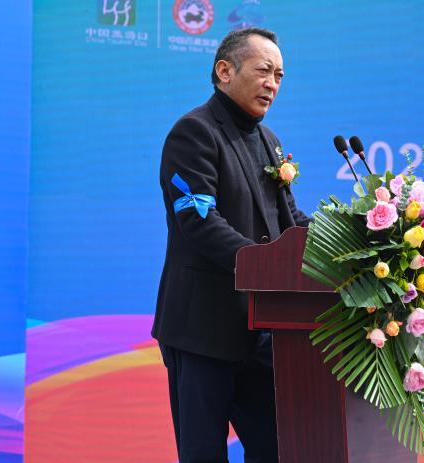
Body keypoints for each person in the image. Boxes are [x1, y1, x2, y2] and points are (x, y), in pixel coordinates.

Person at [152, 28, 309, 463]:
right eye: (263, 71)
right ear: (224, 70)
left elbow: (291, 220)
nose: (272, 83)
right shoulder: (194, 133)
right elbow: (198, 221)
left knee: (279, 451)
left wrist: (348, 242)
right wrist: (264, 266)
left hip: (262, 331)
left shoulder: (270, 141)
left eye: (279, 75)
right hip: (202, 331)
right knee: (203, 454)